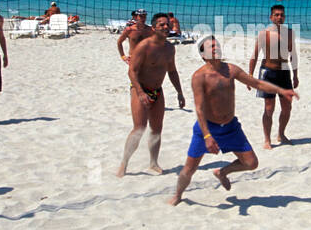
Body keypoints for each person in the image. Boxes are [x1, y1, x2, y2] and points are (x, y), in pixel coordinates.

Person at [169, 35, 297, 205]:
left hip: (230, 128)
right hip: (207, 129)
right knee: (189, 168)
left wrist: (281, 91)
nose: (216, 48)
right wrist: (207, 136)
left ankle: (222, 172)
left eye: (217, 45)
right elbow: (199, 109)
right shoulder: (199, 76)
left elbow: (257, 83)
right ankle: (177, 195)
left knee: (251, 163)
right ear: (203, 54)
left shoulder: (231, 70)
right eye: (211, 47)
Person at [118, 13, 185, 175]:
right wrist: (140, 92)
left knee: (156, 129)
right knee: (139, 128)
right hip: (140, 88)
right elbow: (132, 72)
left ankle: (153, 163)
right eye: (161, 24)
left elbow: (172, 71)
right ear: (153, 28)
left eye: (167, 24)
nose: (166, 27)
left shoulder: (170, 48)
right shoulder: (144, 46)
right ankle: (124, 164)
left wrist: (180, 93)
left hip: (158, 91)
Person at [248, 3, 299, 148]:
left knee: (287, 107)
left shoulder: (290, 33)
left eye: (282, 15)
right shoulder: (264, 33)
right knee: (269, 108)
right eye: (276, 15)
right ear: (271, 17)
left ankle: (281, 134)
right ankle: (266, 139)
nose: (279, 17)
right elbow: (255, 55)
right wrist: (250, 75)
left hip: (284, 72)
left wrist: (295, 75)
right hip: (268, 72)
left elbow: (293, 55)